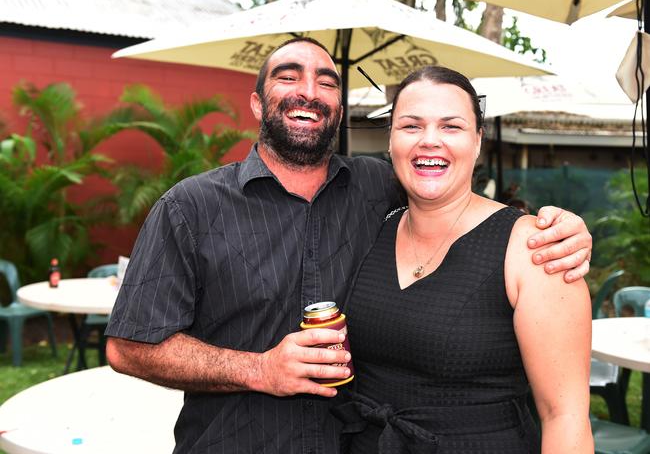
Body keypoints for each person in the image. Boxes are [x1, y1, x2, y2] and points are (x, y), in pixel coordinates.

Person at [105, 38, 593, 454]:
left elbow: (452, 199)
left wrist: (559, 224)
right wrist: (259, 369)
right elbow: (129, 347)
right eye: (288, 76)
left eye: (327, 81)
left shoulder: (376, 190)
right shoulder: (191, 207)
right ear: (256, 103)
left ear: (339, 109)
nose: (309, 91)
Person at [334, 66, 592, 453]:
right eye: (411, 126)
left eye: (451, 126)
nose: (429, 141)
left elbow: (565, 416)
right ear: (390, 141)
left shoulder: (535, 248)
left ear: (477, 141)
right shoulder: (374, 228)